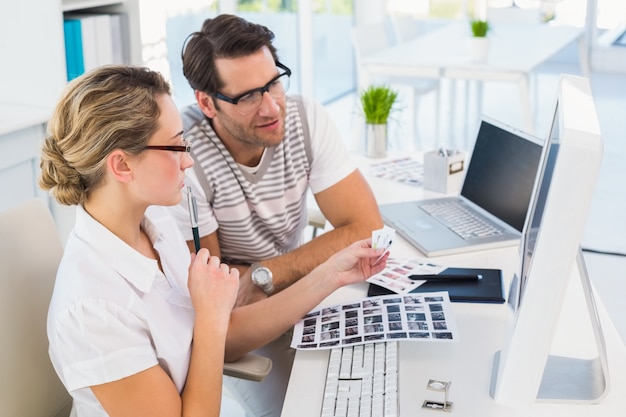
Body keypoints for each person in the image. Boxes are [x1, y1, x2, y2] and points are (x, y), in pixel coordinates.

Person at [40, 64, 389, 417]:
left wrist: (330, 275)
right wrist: (209, 317)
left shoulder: (153, 222)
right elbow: (211, 335)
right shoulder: (93, 310)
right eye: (176, 146)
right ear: (122, 166)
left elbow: (227, 332)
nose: (188, 160)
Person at [169, 15, 384, 415]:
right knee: (309, 407)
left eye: (273, 83)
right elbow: (216, 293)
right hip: (249, 322)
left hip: (299, 289)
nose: (271, 107)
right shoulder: (182, 155)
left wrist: (265, 274)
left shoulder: (305, 116)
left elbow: (366, 226)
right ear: (206, 103)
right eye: (247, 96)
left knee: (374, 386)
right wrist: (286, 274)